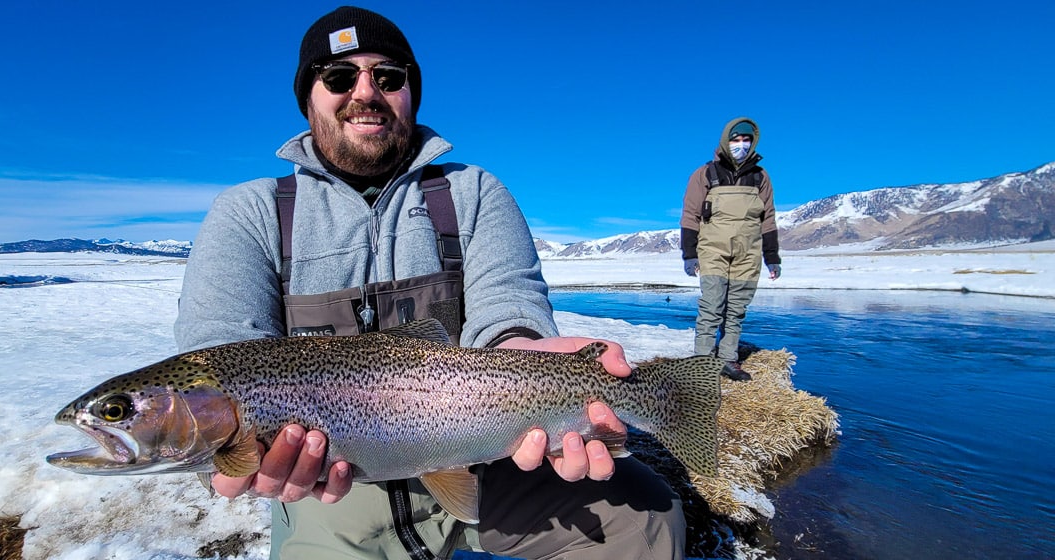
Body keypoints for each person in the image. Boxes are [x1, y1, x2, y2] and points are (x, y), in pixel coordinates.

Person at [175, 6, 687, 560]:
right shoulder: (248, 212)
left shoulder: (472, 192)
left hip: (489, 449)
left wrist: (526, 353)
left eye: (388, 77)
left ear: (411, 94)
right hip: (330, 482)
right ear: (308, 98)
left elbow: (507, 306)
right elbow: (215, 356)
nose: (365, 92)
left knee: (646, 520)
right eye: (340, 77)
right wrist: (226, 458)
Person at [679, 117, 782, 381]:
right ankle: (701, 361)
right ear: (726, 140)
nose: (741, 145)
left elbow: (767, 218)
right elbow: (690, 215)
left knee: (736, 310)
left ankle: (727, 359)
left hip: (748, 253)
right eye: (736, 139)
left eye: (746, 140)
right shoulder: (705, 174)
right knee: (712, 306)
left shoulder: (760, 177)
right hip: (713, 250)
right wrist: (689, 254)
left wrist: (772, 257)